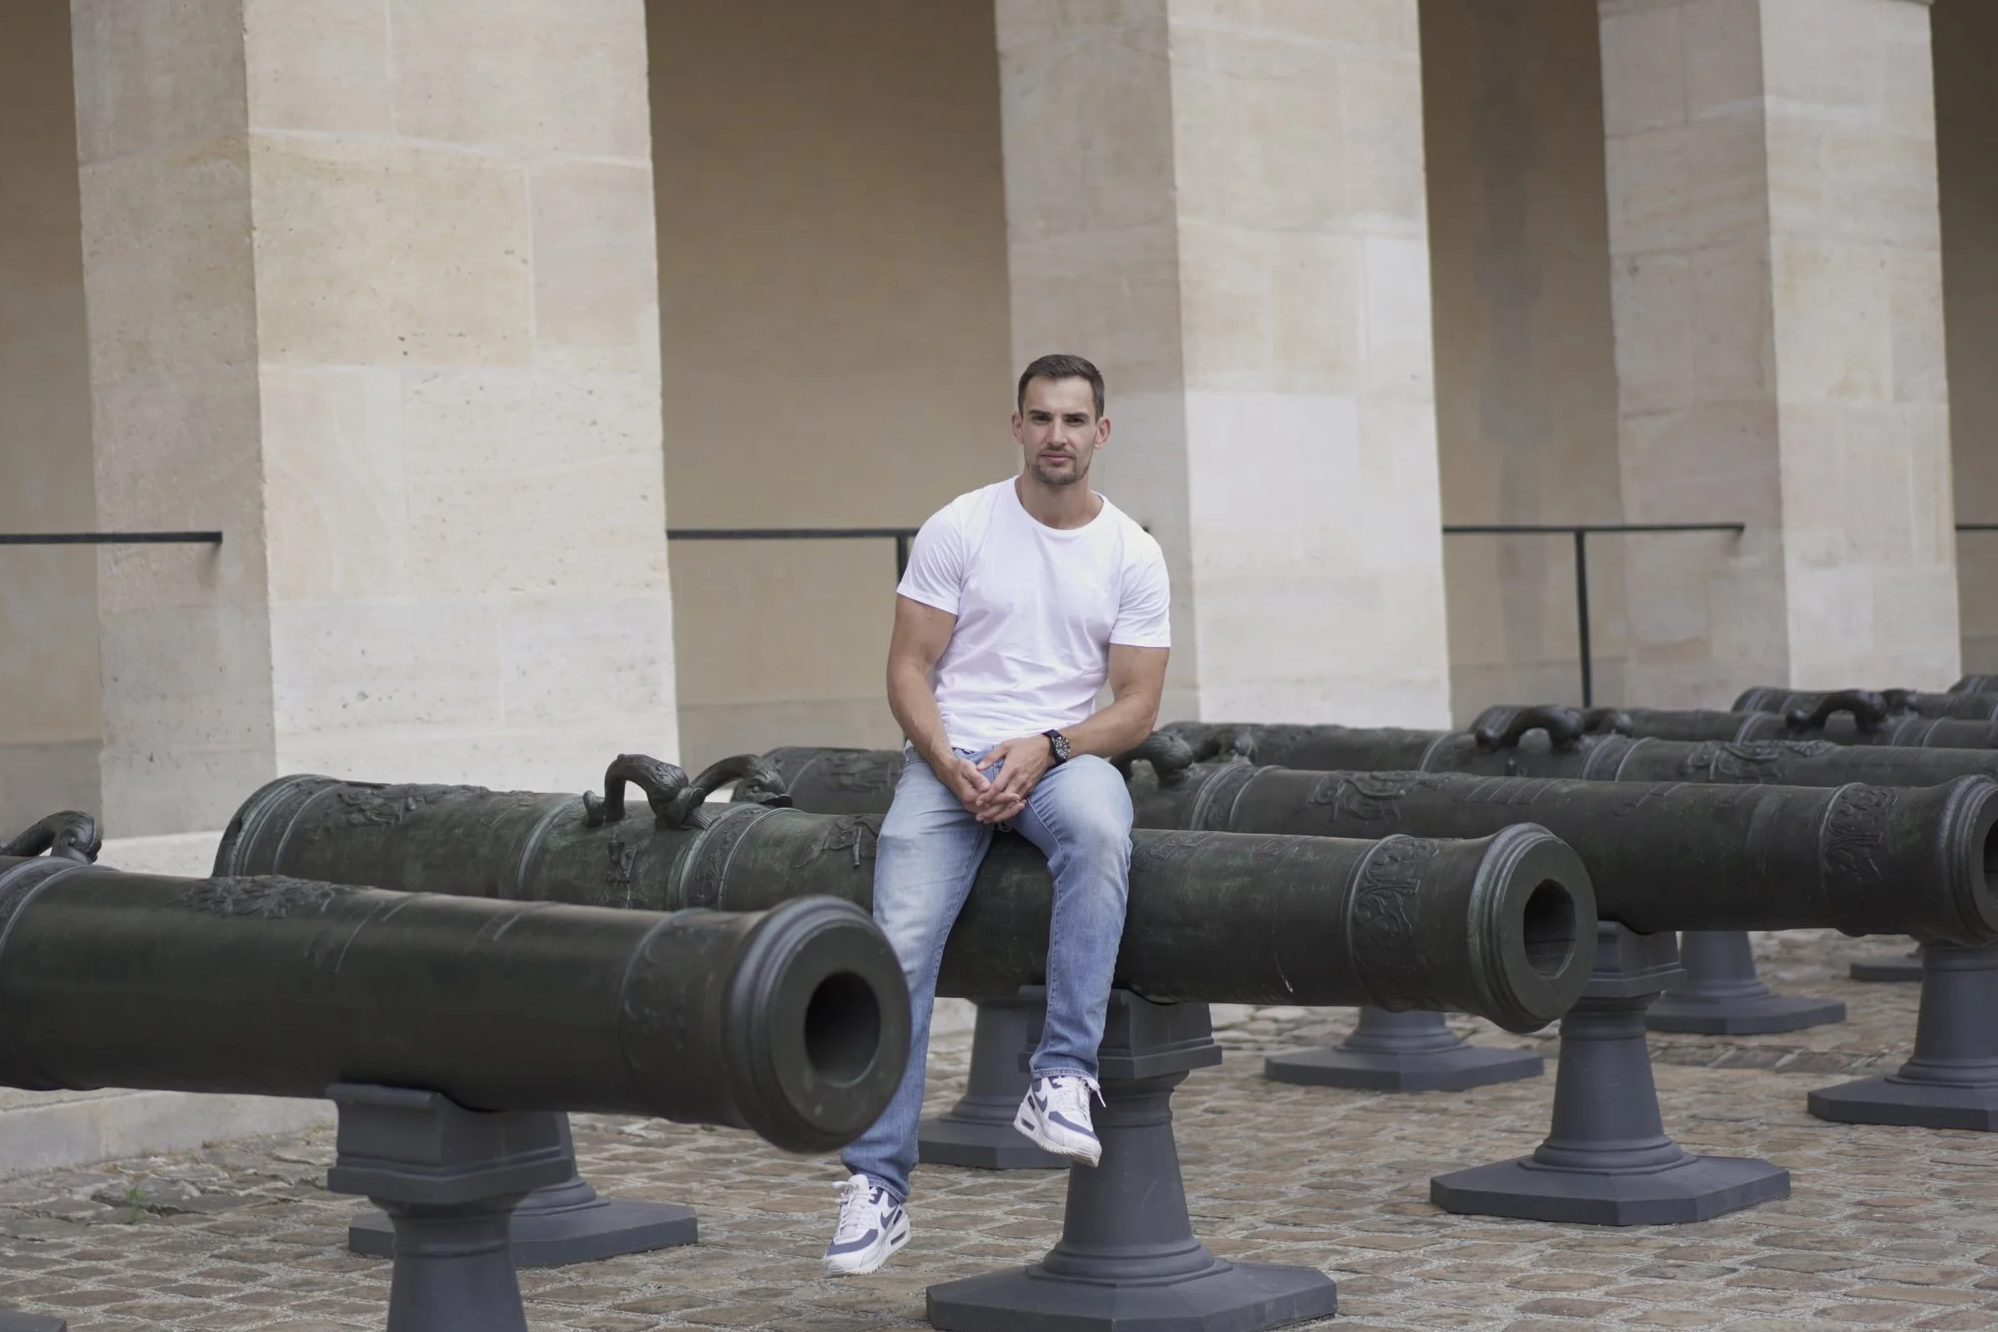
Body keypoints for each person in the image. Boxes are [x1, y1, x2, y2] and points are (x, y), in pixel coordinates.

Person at [823, 353, 1171, 1277]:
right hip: (950, 761)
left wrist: (1049, 747)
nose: (1057, 435)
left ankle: (1061, 1075)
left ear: (1101, 433)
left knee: (1101, 829)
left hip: (1060, 758)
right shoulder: (961, 526)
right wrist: (948, 762)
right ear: (1016, 426)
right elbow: (908, 669)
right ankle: (877, 1186)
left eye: (1074, 420)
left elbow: (1137, 706)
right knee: (899, 936)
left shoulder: (1131, 552)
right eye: (1041, 417)